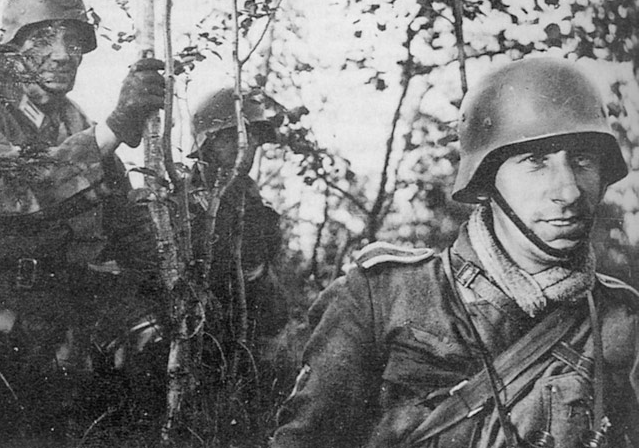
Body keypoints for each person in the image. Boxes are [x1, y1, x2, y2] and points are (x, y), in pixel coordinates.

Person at [271, 58, 639, 448]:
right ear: (486, 179)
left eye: (582, 160)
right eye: (536, 161)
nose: (569, 191)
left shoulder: (623, 320)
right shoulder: (382, 296)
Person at [0, 0, 167, 444]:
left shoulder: (81, 128)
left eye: (74, 42)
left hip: (52, 340)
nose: (63, 54)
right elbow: (5, 190)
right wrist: (114, 129)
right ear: (11, 49)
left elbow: (127, 232)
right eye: (44, 39)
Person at [187, 87, 289, 380]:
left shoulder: (256, 206)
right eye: (237, 136)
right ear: (209, 142)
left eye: (254, 137)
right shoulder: (181, 203)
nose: (249, 145)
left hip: (249, 346)